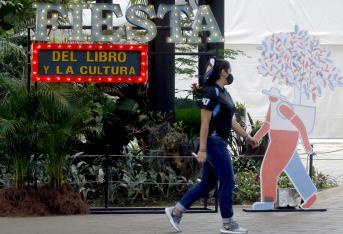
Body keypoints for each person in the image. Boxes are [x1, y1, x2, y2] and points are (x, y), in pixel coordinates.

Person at [165, 58, 259, 233]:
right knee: (228, 181)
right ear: (223, 72)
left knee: (208, 183)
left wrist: (247, 137)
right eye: (229, 69)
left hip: (219, 142)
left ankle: (176, 211)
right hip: (213, 142)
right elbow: (204, 123)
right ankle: (228, 223)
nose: (231, 73)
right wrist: (202, 149)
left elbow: (231, 121)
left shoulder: (225, 93)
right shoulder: (211, 92)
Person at [252, 87, 316, 210]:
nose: (270, 97)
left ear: (277, 97)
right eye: (269, 95)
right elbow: (267, 124)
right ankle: (310, 195)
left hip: (284, 142)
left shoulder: (282, 106)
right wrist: (256, 138)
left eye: (271, 95)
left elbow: (300, 125)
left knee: (268, 170)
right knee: (295, 169)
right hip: (281, 141)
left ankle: (268, 202)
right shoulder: (273, 106)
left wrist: (306, 145)